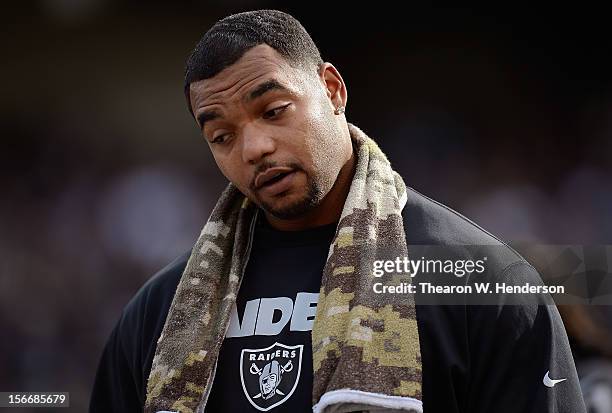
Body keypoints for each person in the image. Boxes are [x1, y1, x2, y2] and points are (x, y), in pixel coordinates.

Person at [90, 9, 587, 413]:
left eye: (274, 111)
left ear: (332, 90)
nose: (255, 147)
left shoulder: (483, 281)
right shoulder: (158, 315)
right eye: (222, 136)